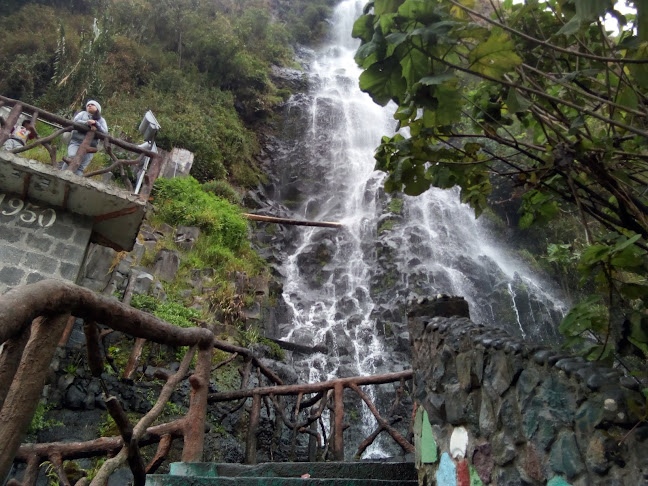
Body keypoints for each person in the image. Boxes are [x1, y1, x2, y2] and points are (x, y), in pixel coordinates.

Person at [61, 100, 108, 176]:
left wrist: (96, 124)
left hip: (91, 146)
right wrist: (87, 123)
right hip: (76, 141)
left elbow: (105, 132)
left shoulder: (101, 120)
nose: (89, 105)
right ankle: (61, 175)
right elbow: (75, 121)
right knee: (71, 157)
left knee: (81, 167)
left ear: (98, 108)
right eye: (88, 105)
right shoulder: (82, 114)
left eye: (92, 105)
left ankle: (75, 182)